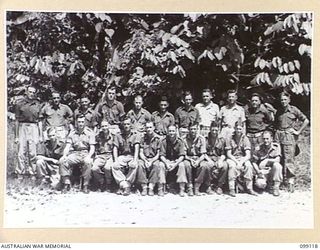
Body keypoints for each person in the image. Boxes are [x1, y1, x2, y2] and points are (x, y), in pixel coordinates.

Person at [274, 91, 309, 192]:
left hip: (289, 137)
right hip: (279, 136)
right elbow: (276, 124)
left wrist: (298, 132)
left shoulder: (294, 110)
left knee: (289, 160)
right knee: (279, 158)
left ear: (289, 100)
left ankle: (290, 182)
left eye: (285, 99)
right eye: (281, 100)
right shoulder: (279, 111)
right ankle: (279, 181)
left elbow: (306, 121)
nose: (283, 101)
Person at [59, 115, 95, 194]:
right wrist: (64, 155)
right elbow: (68, 146)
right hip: (75, 153)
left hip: (85, 153)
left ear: (85, 122)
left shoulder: (89, 132)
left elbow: (92, 148)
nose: (81, 124)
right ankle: (66, 184)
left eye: (82, 122)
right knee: (62, 161)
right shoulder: (72, 133)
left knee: (88, 162)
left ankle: (85, 185)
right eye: (79, 122)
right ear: (76, 122)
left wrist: (89, 156)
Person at [14, 86, 42, 179]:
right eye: (30, 92)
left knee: (32, 152)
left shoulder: (37, 104)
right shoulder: (19, 104)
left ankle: (32, 173)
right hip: (23, 127)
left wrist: (40, 135)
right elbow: (17, 121)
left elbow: (40, 121)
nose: (32, 94)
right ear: (26, 92)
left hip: (34, 127)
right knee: (21, 152)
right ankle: (20, 173)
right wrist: (16, 136)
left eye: (33, 92)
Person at [225, 121, 256, 197]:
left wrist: (241, 162)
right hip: (232, 158)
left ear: (242, 129)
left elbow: (248, 155)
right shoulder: (229, 138)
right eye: (237, 128)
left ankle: (249, 188)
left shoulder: (245, 138)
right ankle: (231, 188)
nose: (238, 131)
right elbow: (228, 154)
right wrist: (236, 162)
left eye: (240, 129)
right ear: (234, 128)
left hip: (242, 158)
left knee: (249, 165)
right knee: (232, 166)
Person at [112, 117, 140, 196]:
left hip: (131, 156)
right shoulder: (118, 136)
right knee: (114, 166)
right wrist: (116, 161)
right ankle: (124, 184)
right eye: (125, 124)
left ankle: (126, 184)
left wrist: (135, 160)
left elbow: (136, 148)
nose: (126, 126)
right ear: (122, 125)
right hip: (122, 156)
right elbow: (115, 149)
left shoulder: (135, 135)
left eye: (128, 124)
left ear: (131, 125)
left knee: (135, 165)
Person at [159, 125, 188, 197]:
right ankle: (161, 188)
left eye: (173, 131)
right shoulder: (163, 141)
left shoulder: (180, 141)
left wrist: (175, 164)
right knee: (161, 165)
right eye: (170, 131)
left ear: (176, 131)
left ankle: (182, 189)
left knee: (182, 165)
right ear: (167, 132)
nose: (171, 133)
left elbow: (182, 156)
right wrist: (166, 163)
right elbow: (161, 155)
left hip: (177, 161)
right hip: (166, 160)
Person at [252, 131, 283, 196]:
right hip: (262, 172)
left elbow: (278, 160)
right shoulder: (259, 148)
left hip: (272, 172)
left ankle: (276, 187)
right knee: (260, 184)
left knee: (277, 166)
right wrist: (258, 171)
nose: (265, 141)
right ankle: (267, 186)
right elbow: (254, 162)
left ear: (271, 138)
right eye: (264, 139)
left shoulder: (276, 147)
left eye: (267, 138)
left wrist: (267, 160)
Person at [136, 121, 162, 196]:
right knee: (140, 164)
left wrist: (152, 161)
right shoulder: (142, 138)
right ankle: (144, 187)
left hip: (154, 158)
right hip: (144, 158)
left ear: (153, 128)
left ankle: (151, 187)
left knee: (156, 165)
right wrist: (145, 160)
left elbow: (158, 154)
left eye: (150, 127)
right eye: (147, 127)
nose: (149, 129)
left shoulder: (158, 139)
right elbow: (140, 152)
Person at [91, 120, 117, 192]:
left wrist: (115, 159)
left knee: (107, 168)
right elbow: (95, 147)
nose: (104, 128)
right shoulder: (98, 136)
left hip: (109, 155)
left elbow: (115, 148)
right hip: (100, 156)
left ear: (108, 126)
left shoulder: (113, 136)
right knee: (94, 168)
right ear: (100, 127)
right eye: (103, 126)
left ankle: (108, 184)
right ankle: (102, 181)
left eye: (106, 126)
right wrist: (95, 156)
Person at [183, 123, 208, 196]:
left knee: (203, 165)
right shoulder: (184, 138)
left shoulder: (201, 138)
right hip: (188, 158)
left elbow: (203, 154)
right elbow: (183, 154)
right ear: (188, 130)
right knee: (186, 165)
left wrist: (198, 161)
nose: (193, 131)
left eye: (194, 129)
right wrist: (190, 160)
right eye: (191, 129)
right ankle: (189, 187)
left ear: (197, 130)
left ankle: (197, 187)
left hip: (198, 157)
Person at [204, 120, 228, 195]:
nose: (214, 132)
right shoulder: (205, 139)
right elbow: (203, 152)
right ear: (210, 129)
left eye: (216, 130)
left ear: (219, 130)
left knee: (225, 166)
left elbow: (224, 153)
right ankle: (208, 186)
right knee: (206, 165)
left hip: (218, 158)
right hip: (208, 157)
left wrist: (220, 160)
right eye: (213, 130)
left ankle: (219, 186)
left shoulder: (222, 140)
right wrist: (208, 160)